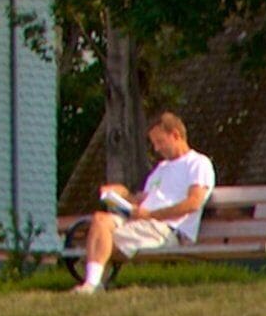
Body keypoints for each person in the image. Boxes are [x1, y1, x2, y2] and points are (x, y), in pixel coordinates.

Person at [70, 109, 214, 294]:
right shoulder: (161, 168)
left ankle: (92, 284)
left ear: (176, 135)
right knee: (100, 220)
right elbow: (142, 199)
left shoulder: (197, 164)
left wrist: (151, 215)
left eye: (160, 142)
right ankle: (92, 284)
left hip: (166, 229)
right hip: (142, 221)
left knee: (102, 240)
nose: (156, 149)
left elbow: (193, 203)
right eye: (154, 143)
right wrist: (119, 193)